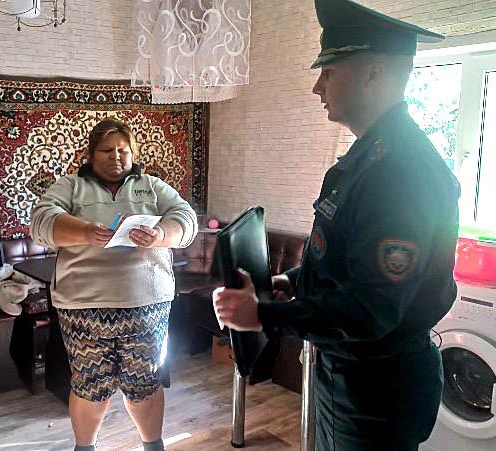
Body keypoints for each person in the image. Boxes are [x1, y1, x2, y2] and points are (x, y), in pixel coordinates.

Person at [212, 0, 461, 449]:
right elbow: (343, 260)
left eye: (328, 71)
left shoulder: (399, 171)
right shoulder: (367, 159)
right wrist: (291, 281)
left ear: (374, 73)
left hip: (378, 384)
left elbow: (370, 309)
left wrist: (263, 315)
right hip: (348, 369)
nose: (317, 87)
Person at [30, 118, 198, 451]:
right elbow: (41, 222)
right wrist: (84, 232)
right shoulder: (71, 186)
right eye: (106, 150)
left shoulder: (151, 186)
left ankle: (153, 446)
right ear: (91, 154)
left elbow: (186, 219)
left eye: (123, 150)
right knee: (90, 385)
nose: (116, 157)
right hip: (83, 308)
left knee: (145, 383)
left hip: (147, 306)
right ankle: (85, 448)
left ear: (133, 153)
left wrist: (160, 235)